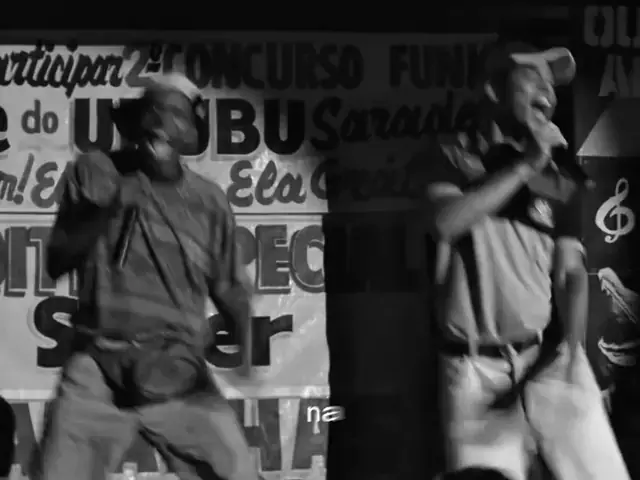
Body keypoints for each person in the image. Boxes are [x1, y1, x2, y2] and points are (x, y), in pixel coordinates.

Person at [33, 73, 258, 480]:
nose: (161, 124)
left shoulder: (209, 202)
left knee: (237, 472)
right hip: (97, 368)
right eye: (152, 112)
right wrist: (108, 207)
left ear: (191, 135)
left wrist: (244, 340)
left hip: (176, 372)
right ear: (136, 124)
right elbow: (57, 259)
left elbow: (227, 285)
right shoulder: (97, 170)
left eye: (176, 115)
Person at [425, 41, 630, 480]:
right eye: (533, 78)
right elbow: (445, 223)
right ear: (493, 89)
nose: (548, 92)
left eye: (552, 85)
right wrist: (525, 166)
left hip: (547, 358)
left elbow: (570, 271)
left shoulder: (562, 175)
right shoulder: (452, 156)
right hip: (475, 371)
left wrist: (572, 349)